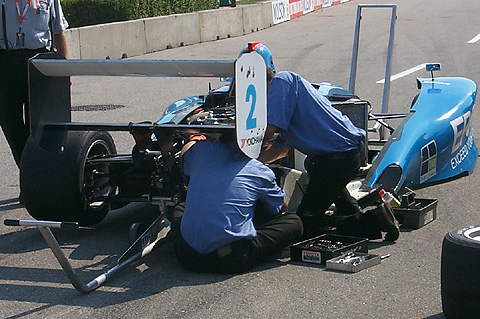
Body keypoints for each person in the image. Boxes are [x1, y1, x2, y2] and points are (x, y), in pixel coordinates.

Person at [240, 42, 399, 242]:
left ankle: (374, 219)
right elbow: (277, 151)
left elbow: (267, 132)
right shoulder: (282, 98)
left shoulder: (282, 83)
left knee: (305, 223)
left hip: (340, 157)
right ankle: (362, 219)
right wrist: (247, 165)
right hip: (335, 157)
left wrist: (242, 152)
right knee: (327, 185)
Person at [170, 133, 303, 274]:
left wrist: (194, 140)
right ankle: (243, 243)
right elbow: (280, 208)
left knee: (181, 208)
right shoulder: (258, 170)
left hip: (188, 257)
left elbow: (184, 157)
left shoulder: (199, 151)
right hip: (229, 259)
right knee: (294, 222)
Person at [0, 0, 69, 171]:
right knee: (9, 120)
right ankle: (28, 168)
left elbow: (58, 33)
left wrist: (65, 71)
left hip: (40, 61)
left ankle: (36, 174)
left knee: (39, 124)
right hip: (7, 61)